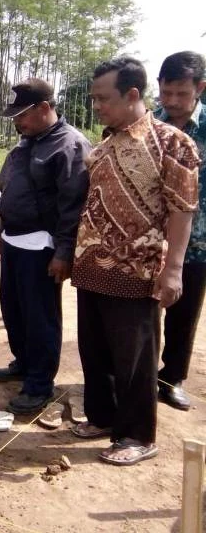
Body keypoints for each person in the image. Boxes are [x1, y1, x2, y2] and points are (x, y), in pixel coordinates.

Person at [71, 56, 199, 466]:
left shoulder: (172, 143)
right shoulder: (105, 143)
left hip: (137, 270)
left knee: (135, 357)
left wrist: (173, 268)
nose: (97, 107)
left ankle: (138, 435)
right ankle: (103, 418)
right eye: (93, 99)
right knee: (95, 351)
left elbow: (182, 209)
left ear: (131, 94)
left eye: (102, 98)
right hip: (91, 267)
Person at [0, 79, 91, 414]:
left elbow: (73, 206)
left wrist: (64, 252)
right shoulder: (25, 142)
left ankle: (39, 385)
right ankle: (24, 362)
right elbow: (9, 189)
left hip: (42, 246)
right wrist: (0, 232)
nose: (17, 121)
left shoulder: (70, 145)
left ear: (45, 108)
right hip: (15, 241)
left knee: (40, 317)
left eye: (22, 114)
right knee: (13, 309)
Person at [154, 51, 206, 411]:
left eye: (181, 94)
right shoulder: (150, 125)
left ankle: (172, 378)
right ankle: (141, 372)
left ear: (200, 88)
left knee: (184, 311)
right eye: (165, 93)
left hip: (199, 243)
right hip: (151, 240)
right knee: (144, 311)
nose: (171, 102)